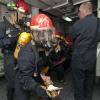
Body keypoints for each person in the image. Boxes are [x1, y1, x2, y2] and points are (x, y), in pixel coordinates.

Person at [15, 13, 62, 100]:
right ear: (33, 34)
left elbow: (40, 63)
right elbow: (25, 79)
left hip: (34, 75)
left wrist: (43, 75)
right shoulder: (27, 52)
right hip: (23, 79)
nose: (45, 37)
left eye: (47, 33)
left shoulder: (43, 48)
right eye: (41, 34)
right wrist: (43, 91)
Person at [70, 2, 100, 100]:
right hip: (91, 61)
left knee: (79, 85)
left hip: (78, 61)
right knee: (89, 84)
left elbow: (71, 38)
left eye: (79, 11)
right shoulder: (98, 22)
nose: (78, 14)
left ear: (85, 10)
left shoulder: (78, 24)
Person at [0, 1, 29, 100]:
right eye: (22, 14)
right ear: (14, 13)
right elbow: (1, 43)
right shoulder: (2, 25)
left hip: (21, 58)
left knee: (21, 84)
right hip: (10, 60)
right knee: (12, 85)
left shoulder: (20, 27)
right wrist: (13, 39)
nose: (23, 17)